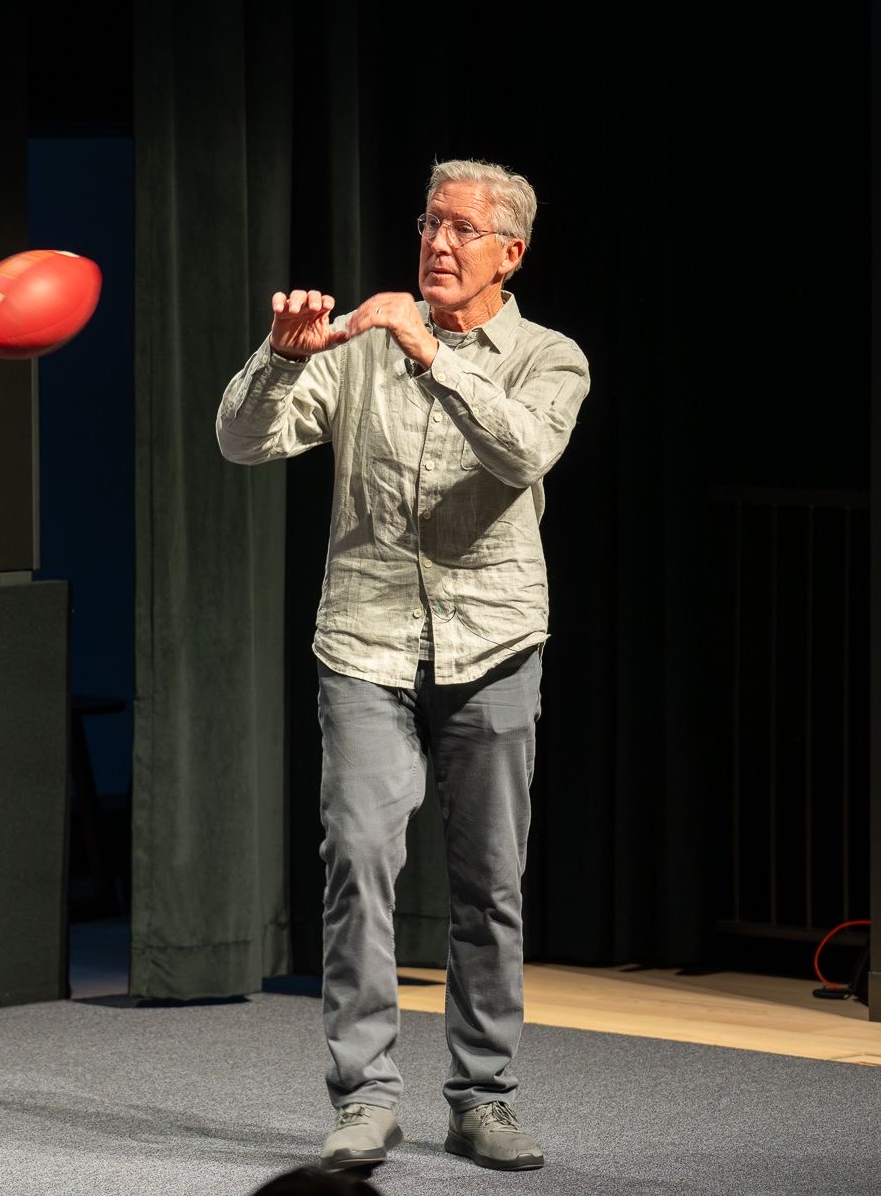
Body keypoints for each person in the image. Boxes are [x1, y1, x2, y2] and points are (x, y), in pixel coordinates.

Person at [216, 159, 588, 1174]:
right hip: (367, 644)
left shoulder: (548, 357)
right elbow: (241, 443)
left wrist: (428, 352)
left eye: (461, 230)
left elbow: (519, 456)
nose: (435, 243)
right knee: (357, 865)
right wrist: (282, 358)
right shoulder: (358, 348)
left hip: (494, 646)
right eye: (428, 222)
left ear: (508, 253)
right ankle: (364, 1095)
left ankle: (481, 1098)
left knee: (487, 885)